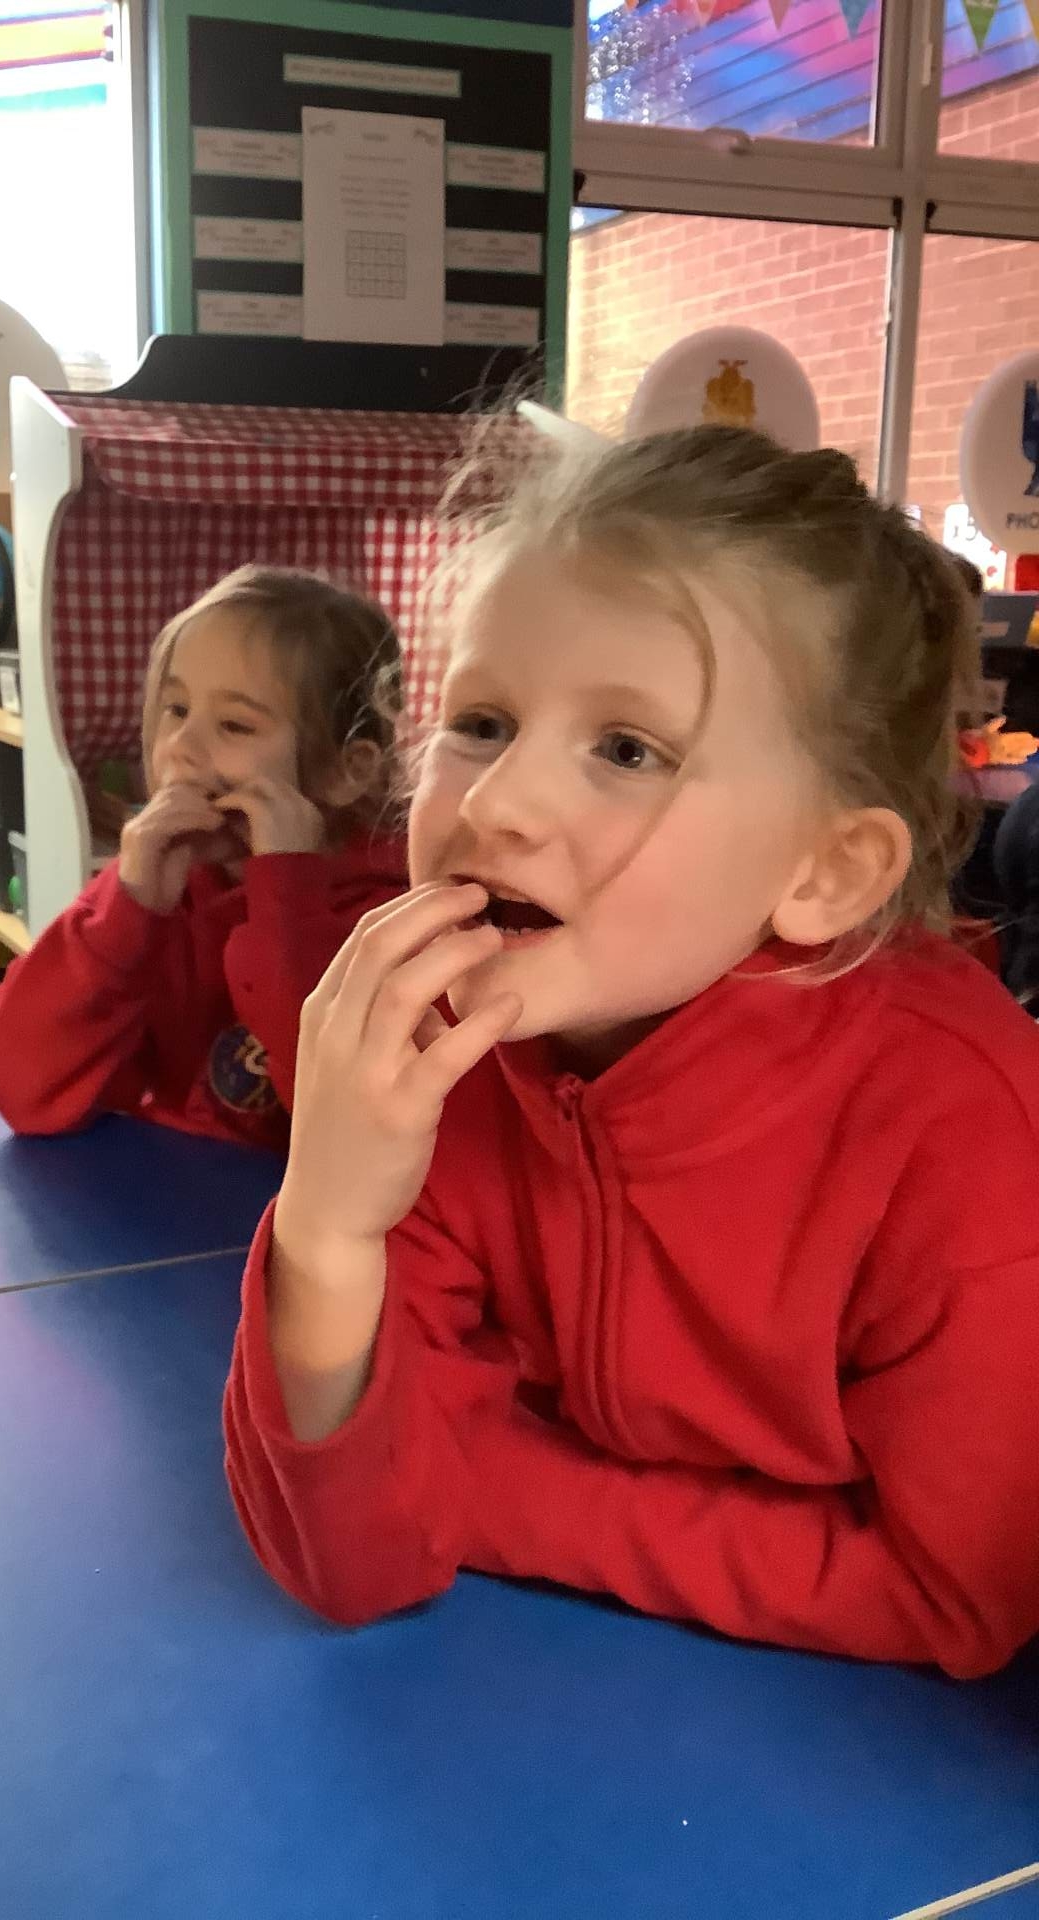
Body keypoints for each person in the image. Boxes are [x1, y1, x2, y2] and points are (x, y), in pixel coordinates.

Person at [224, 425, 1039, 1679]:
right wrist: (325, 1224)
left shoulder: (967, 1135)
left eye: (626, 750)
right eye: (482, 722)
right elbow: (347, 1550)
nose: (495, 804)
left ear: (824, 871)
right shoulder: (455, 1050)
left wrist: (494, 1492)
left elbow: (956, 1594)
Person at [0, 565, 407, 1151]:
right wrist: (122, 913)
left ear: (346, 772)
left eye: (234, 725)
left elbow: (353, 1130)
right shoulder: (167, 887)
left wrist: (285, 892)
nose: (182, 746)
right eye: (176, 710)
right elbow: (15, 1085)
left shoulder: (392, 922)